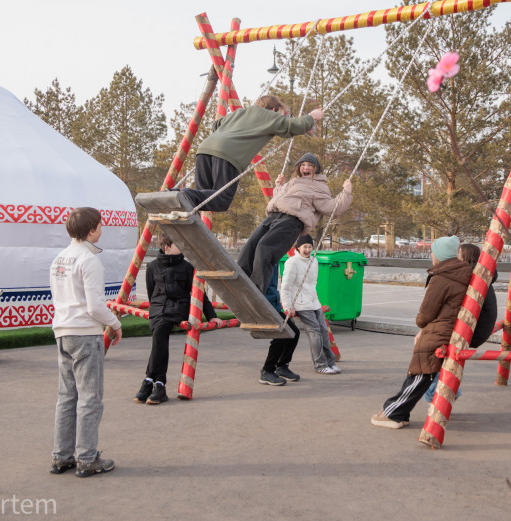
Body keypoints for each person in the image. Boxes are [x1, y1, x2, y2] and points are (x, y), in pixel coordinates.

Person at [49, 207, 123, 477]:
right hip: (85, 334)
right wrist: (115, 324)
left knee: (66, 397)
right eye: (100, 226)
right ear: (91, 230)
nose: (102, 229)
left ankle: (61, 456)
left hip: (63, 332)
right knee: (90, 398)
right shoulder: (89, 260)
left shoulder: (60, 258)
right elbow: (95, 306)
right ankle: (87, 458)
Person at [372, 235, 467, 429]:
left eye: (433, 252)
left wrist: (420, 323)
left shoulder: (443, 277)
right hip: (450, 329)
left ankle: (394, 413)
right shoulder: (461, 272)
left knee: (421, 372)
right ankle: (398, 411)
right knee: (424, 372)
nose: (431, 255)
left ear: (439, 255)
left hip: (439, 330)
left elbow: (426, 312)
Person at [178, 95, 323, 212]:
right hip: (228, 153)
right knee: (221, 199)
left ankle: (174, 195)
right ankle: (183, 194)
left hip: (205, 149)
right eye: (280, 113)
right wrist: (311, 117)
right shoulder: (269, 115)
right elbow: (293, 126)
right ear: (273, 109)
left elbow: (216, 124)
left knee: (202, 197)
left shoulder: (240, 112)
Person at [238, 152, 352, 296]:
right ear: (298, 168)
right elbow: (283, 198)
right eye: (303, 165)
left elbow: (332, 208)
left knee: (264, 249)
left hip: (291, 221)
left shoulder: (319, 186)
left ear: (316, 169)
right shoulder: (292, 182)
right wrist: (278, 186)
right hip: (274, 216)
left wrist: (346, 193)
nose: (306, 168)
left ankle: (255, 291)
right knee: (251, 246)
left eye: (310, 165)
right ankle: (239, 282)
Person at [134, 230, 218, 405]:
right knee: (159, 336)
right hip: (158, 309)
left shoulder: (187, 268)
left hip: (177, 309)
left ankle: (151, 382)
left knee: (159, 333)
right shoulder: (152, 267)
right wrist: (156, 309)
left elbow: (200, 294)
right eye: (178, 246)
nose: (182, 249)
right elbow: (151, 293)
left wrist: (212, 316)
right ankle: (156, 384)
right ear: (167, 248)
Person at [422, 242, 496, 402]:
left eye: (457, 255)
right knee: (437, 352)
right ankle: (444, 392)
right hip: (476, 326)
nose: (453, 257)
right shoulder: (479, 274)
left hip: (471, 329)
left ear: (466, 258)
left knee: (433, 351)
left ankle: (437, 395)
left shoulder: (469, 276)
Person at [281, 234, 340, 375]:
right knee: (315, 333)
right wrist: (288, 306)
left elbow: (312, 284)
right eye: (304, 247)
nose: (307, 250)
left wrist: (316, 300)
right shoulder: (292, 262)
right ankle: (320, 365)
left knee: (324, 332)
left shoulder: (314, 261)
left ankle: (330, 362)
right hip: (301, 304)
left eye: (310, 247)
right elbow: (286, 286)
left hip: (313, 301)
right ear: (298, 248)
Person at [258, 262, 301, 386]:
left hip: (273, 304)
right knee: (282, 333)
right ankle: (267, 371)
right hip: (264, 305)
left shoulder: (274, 260)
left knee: (294, 332)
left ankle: (282, 366)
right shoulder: (265, 258)